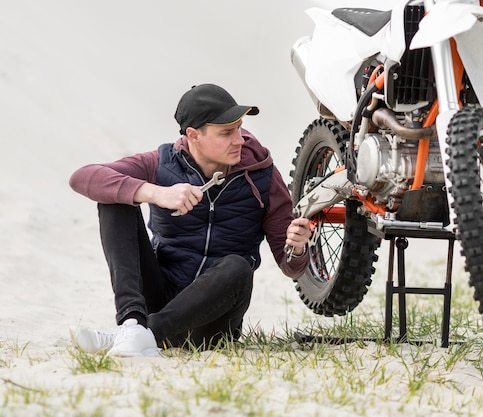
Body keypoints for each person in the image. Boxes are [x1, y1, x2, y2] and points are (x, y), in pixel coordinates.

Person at [69, 83, 311, 357]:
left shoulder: (262, 175)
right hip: (159, 297)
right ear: (193, 135)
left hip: (212, 320)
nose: (240, 140)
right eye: (227, 132)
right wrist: (155, 193)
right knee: (115, 200)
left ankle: (140, 336)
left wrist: (298, 246)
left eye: (239, 128)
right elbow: (83, 177)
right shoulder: (162, 164)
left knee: (237, 266)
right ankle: (132, 324)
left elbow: (291, 266)